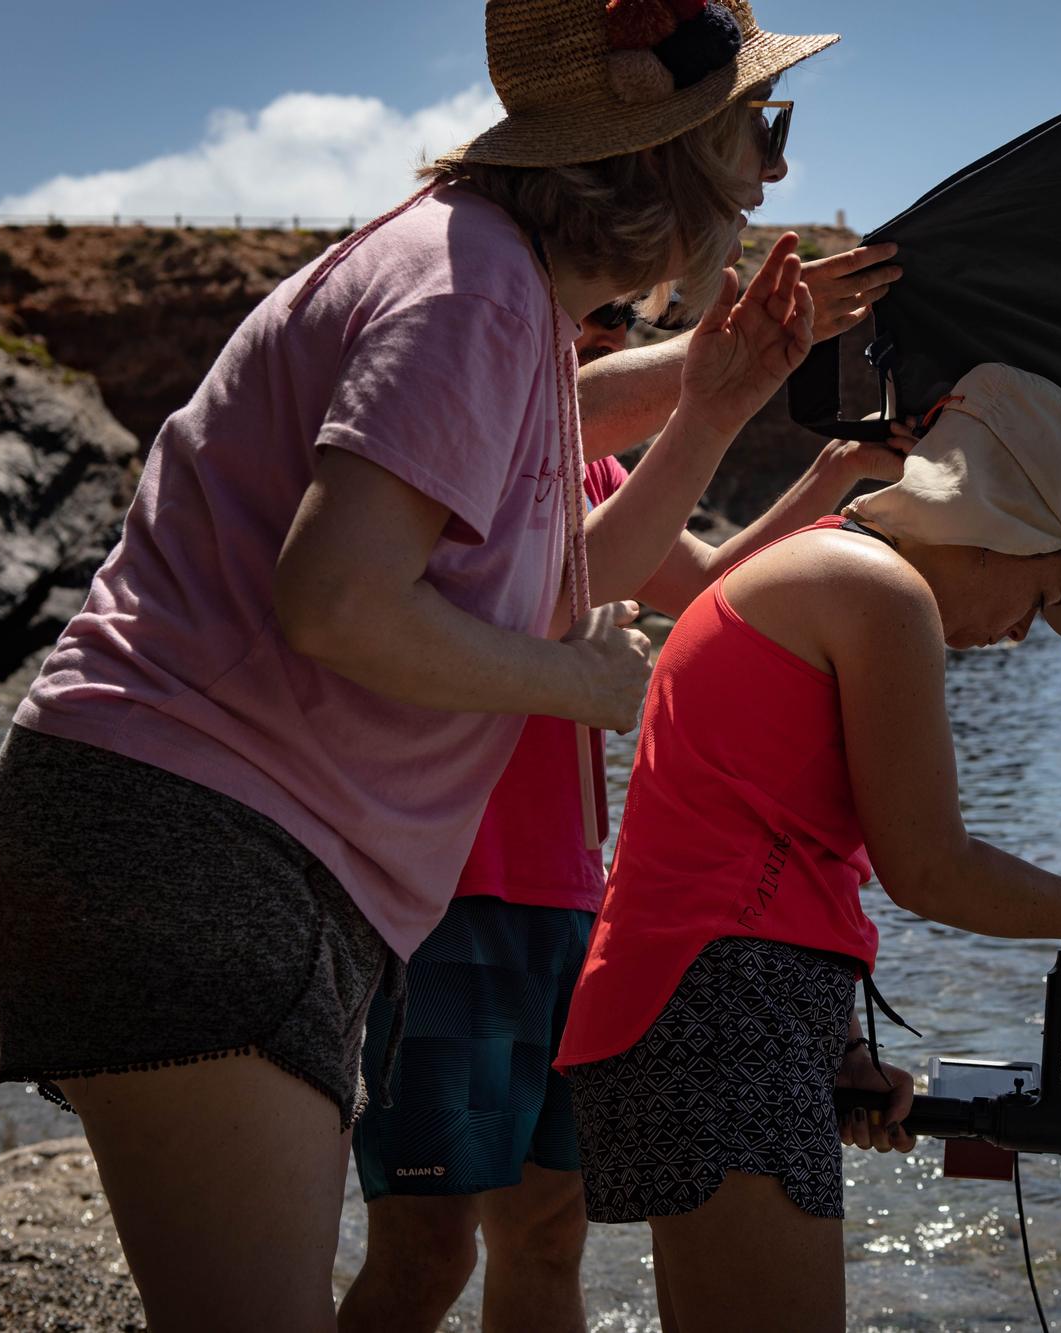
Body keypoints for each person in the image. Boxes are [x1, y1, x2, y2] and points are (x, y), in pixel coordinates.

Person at [0, 3, 840, 1328]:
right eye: (758, 131)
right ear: (670, 157)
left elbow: (554, 581)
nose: (772, 173)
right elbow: (335, 603)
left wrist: (716, 398)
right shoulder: (473, 291)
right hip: (200, 846)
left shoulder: (493, 293)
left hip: (205, 843)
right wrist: (587, 687)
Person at [557, 363, 1061, 1332]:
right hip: (725, 1006)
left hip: (697, 998)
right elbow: (930, 869)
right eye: (1043, 597)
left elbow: (765, 831)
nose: (1021, 633)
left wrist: (841, 1046)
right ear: (1012, 530)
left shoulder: (823, 568)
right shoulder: (877, 591)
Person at [338, 287, 911, 1333]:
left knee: (548, 1237)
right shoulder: (454, 436)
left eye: (624, 322)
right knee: (424, 1251)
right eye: (590, 314)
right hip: (440, 898)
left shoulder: (593, 466)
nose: (609, 337)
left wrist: (830, 483)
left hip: (572, 904)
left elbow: (708, 593)